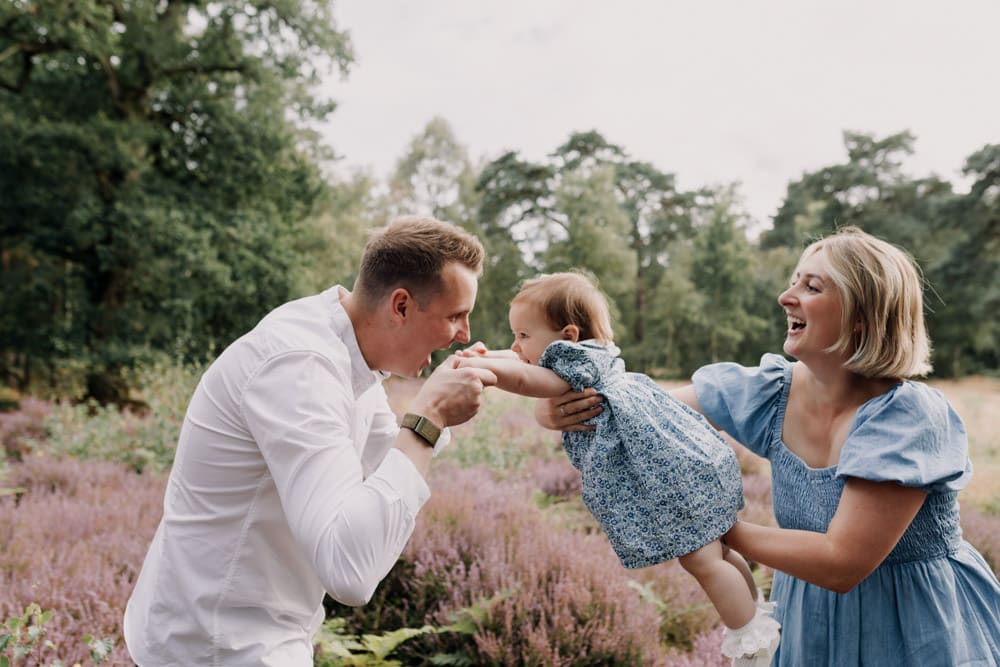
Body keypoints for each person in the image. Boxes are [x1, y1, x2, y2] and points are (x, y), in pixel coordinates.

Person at [541, 228, 1000, 666]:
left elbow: (842, 564)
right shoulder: (770, 392)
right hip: (809, 619)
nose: (786, 296)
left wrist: (704, 527)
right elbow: (639, 410)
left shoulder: (910, 417)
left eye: (812, 286)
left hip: (915, 626)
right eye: (792, 281)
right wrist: (557, 408)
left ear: (863, 315)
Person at [123, 216, 498, 666]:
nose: (466, 334)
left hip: (249, 636)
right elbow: (351, 571)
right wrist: (430, 416)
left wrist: (528, 376)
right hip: (218, 645)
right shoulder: (301, 367)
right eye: (456, 315)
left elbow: (390, 460)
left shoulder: (348, 354)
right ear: (400, 306)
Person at [457, 272, 781, 665]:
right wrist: (489, 355)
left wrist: (482, 372)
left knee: (702, 560)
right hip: (684, 466)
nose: (515, 345)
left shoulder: (570, 364)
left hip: (666, 478)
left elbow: (526, 377)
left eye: (523, 335)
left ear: (568, 335)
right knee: (720, 549)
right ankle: (757, 614)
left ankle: (750, 639)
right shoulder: (594, 353)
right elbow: (522, 359)